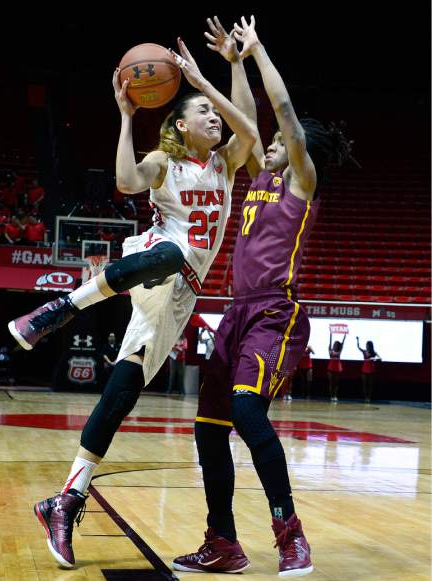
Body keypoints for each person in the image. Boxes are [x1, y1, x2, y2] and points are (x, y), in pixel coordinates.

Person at [8, 38, 257, 568]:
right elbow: (125, 181)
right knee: (171, 249)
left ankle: (66, 497)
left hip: (180, 294)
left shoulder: (226, 165)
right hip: (152, 261)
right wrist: (125, 117)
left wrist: (230, 69)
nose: (216, 118)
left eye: (216, 112)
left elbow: (251, 127)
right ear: (181, 126)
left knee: (122, 390)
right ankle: (58, 309)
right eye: (204, 112)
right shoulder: (165, 162)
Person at [173, 16, 353, 577]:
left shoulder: (301, 178)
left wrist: (259, 51)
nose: (270, 146)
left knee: (248, 409)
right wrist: (231, 64)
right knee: (209, 427)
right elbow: (247, 121)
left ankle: (290, 535)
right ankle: (223, 542)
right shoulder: (259, 179)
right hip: (236, 313)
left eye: (278, 145)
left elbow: (284, 119)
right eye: (270, 146)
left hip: (276, 311)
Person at [356, 337, 381, 403]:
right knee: (365, 384)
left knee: (370, 385)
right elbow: (358, 347)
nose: (366, 346)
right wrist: (357, 341)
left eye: (367, 345)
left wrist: (374, 359)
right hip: (364, 369)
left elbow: (380, 358)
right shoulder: (364, 351)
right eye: (366, 345)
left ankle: (369, 397)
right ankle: (365, 397)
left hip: (371, 369)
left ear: (370, 346)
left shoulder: (374, 352)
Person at [328, 332, 346, 403]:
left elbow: (343, 343)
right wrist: (331, 334)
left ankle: (335, 396)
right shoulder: (331, 350)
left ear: (338, 345)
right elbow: (330, 341)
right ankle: (331, 396)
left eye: (336, 344)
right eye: (334, 344)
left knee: (336, 383)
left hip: (337, 367)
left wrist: (344, 335)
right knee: (331, 383)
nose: (334, 345)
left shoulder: (339, 351)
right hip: (331, 367)